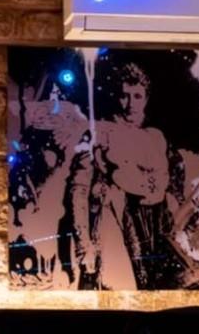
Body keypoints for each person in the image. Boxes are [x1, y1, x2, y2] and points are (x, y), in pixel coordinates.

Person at [70, 62, 188, 290]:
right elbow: (79, 190)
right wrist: (84, 245)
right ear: (117, 97)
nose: (131, 103)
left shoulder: (156, 138)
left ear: (146, 98)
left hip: (156, 232)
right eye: (125, 96)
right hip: (114, 226)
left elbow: (171, 189)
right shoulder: (99, 133)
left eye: (137, 96)